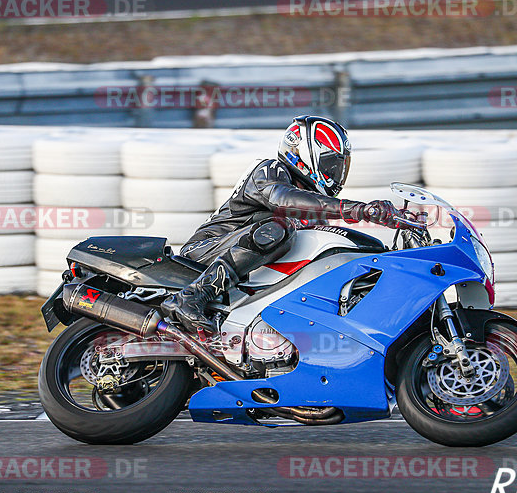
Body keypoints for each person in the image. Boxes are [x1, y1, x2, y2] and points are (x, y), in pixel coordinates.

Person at [161, 115, 401, 337]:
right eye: (330, 165)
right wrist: (358, 209)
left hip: (244, 267)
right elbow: (284, 199)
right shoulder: (269, 171)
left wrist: (386, 255)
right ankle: (193, 295)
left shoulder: (311, 209)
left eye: (339, 168)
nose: (335, 174)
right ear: (305, 154)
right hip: (204, 251)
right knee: (279, 227)